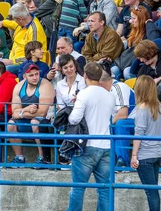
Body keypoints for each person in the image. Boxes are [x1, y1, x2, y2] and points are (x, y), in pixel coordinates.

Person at [66, 62, 116, 211]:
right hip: (106, 145)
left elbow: (74, 119)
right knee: (105, 189)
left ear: (85, 76)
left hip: (87, 146)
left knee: (78, 188)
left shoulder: (84, 93)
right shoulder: (110, 95)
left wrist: (75, 107)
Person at [7, 64, 55, 165]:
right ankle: (19, 157)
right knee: (11, 124)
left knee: (35, 122)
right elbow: (14, 112)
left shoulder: (45, 85)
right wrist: (26, 110)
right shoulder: (19, 86)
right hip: (25, 118)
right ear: (24, 76)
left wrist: (22, 112)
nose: (35, 77)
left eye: (36, 74)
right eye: (31, 75)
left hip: (41, 121)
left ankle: (42, 157)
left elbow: (43, 112)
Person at [131, 75, 161, 211]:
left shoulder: (142, 108)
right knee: (153, 191)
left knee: (151, 192)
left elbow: (139, 133)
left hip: (144, 155)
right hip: (157, 153)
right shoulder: (160, 107)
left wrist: (134, 155)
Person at [0, 3, 47, 74]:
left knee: (3, 70)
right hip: (14, 59)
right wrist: (2, 22)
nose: (14, 21)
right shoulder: (25, 21)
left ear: (20, 19)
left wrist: (12, 62)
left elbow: (33, 56)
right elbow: (13, 24)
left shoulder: (34, 31)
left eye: (14, 19)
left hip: (29, 64)